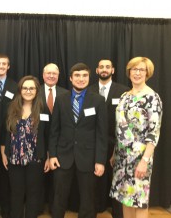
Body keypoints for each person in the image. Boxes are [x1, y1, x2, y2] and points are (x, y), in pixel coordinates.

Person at [49, 62, 108, 218]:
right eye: (77, 75)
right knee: (59, 196)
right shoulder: (61, 100)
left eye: (84, 75)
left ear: (89, 77)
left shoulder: (98, 101)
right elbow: (54, 131)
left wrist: (100, 161)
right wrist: (53, 155)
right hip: (62, 156)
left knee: (88, 199)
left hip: (88, 158)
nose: (81, 79)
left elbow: (102, 134)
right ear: (70, 78)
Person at [110, 57, 163, 218]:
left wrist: (144, 161)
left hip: (140, 157)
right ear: (129, 72)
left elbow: (154, 133)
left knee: (139, 199)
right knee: (126, 198)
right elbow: (120, 127)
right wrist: (114, 152)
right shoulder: (125, 96)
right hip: (122, 155)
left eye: (141, 69)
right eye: (134, 69)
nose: (137, 73)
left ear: (148, 73)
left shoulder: (152, 98)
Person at [1, 75, 50, 218]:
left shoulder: (43, 109)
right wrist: (4, 153)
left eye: (32, 88)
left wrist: (48, 156)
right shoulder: (11, 108)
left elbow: (48, 134)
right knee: (16, 193)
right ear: (20, 90)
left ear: (36, 90)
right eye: (25, 88)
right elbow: (5, 132)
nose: (28, 91)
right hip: (14, 158)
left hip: (36, 158)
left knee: (33, 193)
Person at [89, 59, 129, 218]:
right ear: (97, 70)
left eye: (107, 67)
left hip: (117, 141)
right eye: (101, 67)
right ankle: (98, 206)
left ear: (113, 70)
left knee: (117, 177)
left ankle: (117, 211)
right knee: (96, 176)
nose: (104, 69)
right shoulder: (89, 90)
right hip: (94, 142)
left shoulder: (124, 91)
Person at [0, 53, 18, 218]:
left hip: (9, 136)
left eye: (4, 64)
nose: (0, 66)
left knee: (7, 176)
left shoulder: (15, 86)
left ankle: (6, 210)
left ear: (8, 66)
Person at [39, 63, 68, 212]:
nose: (51, 76)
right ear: (43, 75)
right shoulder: (34, 92)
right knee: (38, 178)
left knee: (57, 180)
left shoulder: (66, 94)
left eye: (54, 74)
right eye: (48, 73)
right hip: (38, 142)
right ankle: (38, 207)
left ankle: (54, 208)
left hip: (59, 143)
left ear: (58, 76)